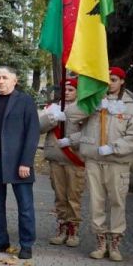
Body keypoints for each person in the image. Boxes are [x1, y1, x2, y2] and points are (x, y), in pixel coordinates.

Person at [71, 66, 133, 261]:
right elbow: (71, 115)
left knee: (117, 202)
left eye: (113, 79)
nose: (110, 83)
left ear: (121, 82)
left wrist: (114, 147)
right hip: (94, 161)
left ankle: (115, 244)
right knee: (96, 203)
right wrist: (90, 99)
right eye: (106, 80)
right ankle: (100, 242)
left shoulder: (132, 108)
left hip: (117, 162)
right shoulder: (94, 102)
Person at [0, 67, 40, 260]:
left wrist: (26, 162)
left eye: (5, 78)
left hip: (18, 162)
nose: (1, 81)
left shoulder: (26, 101)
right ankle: (0, 240)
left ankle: (26, 244)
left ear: (14, 80)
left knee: (25, 205)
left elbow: (32, 133)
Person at [38, 78, 87, 247]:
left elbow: (90, 133)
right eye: (65, 90)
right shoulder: (53, 107)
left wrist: (72, 140)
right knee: (60, 197)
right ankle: (62, 228)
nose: (67, 92)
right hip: (56, 158)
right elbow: (38, 127)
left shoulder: (85, 108)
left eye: (71, 90)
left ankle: (73, 229)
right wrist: (52, 117)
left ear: (78, 92)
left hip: (74, 158)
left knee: (73, 196)